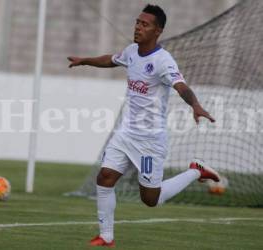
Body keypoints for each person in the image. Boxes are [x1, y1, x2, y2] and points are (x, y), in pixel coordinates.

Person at [68, 4, 220, 248]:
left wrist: (195, 105)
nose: (138, 27)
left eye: (144, 24)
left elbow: (181, 86)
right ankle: (106, 237)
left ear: (157, 31)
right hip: (126, 133)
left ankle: (195, 170)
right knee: (105, 177)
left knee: (151, 199)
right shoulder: (131, 51)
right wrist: (85, 60)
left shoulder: (163, 61)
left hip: (150, 140)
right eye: (137, 22)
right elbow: (111, 60)